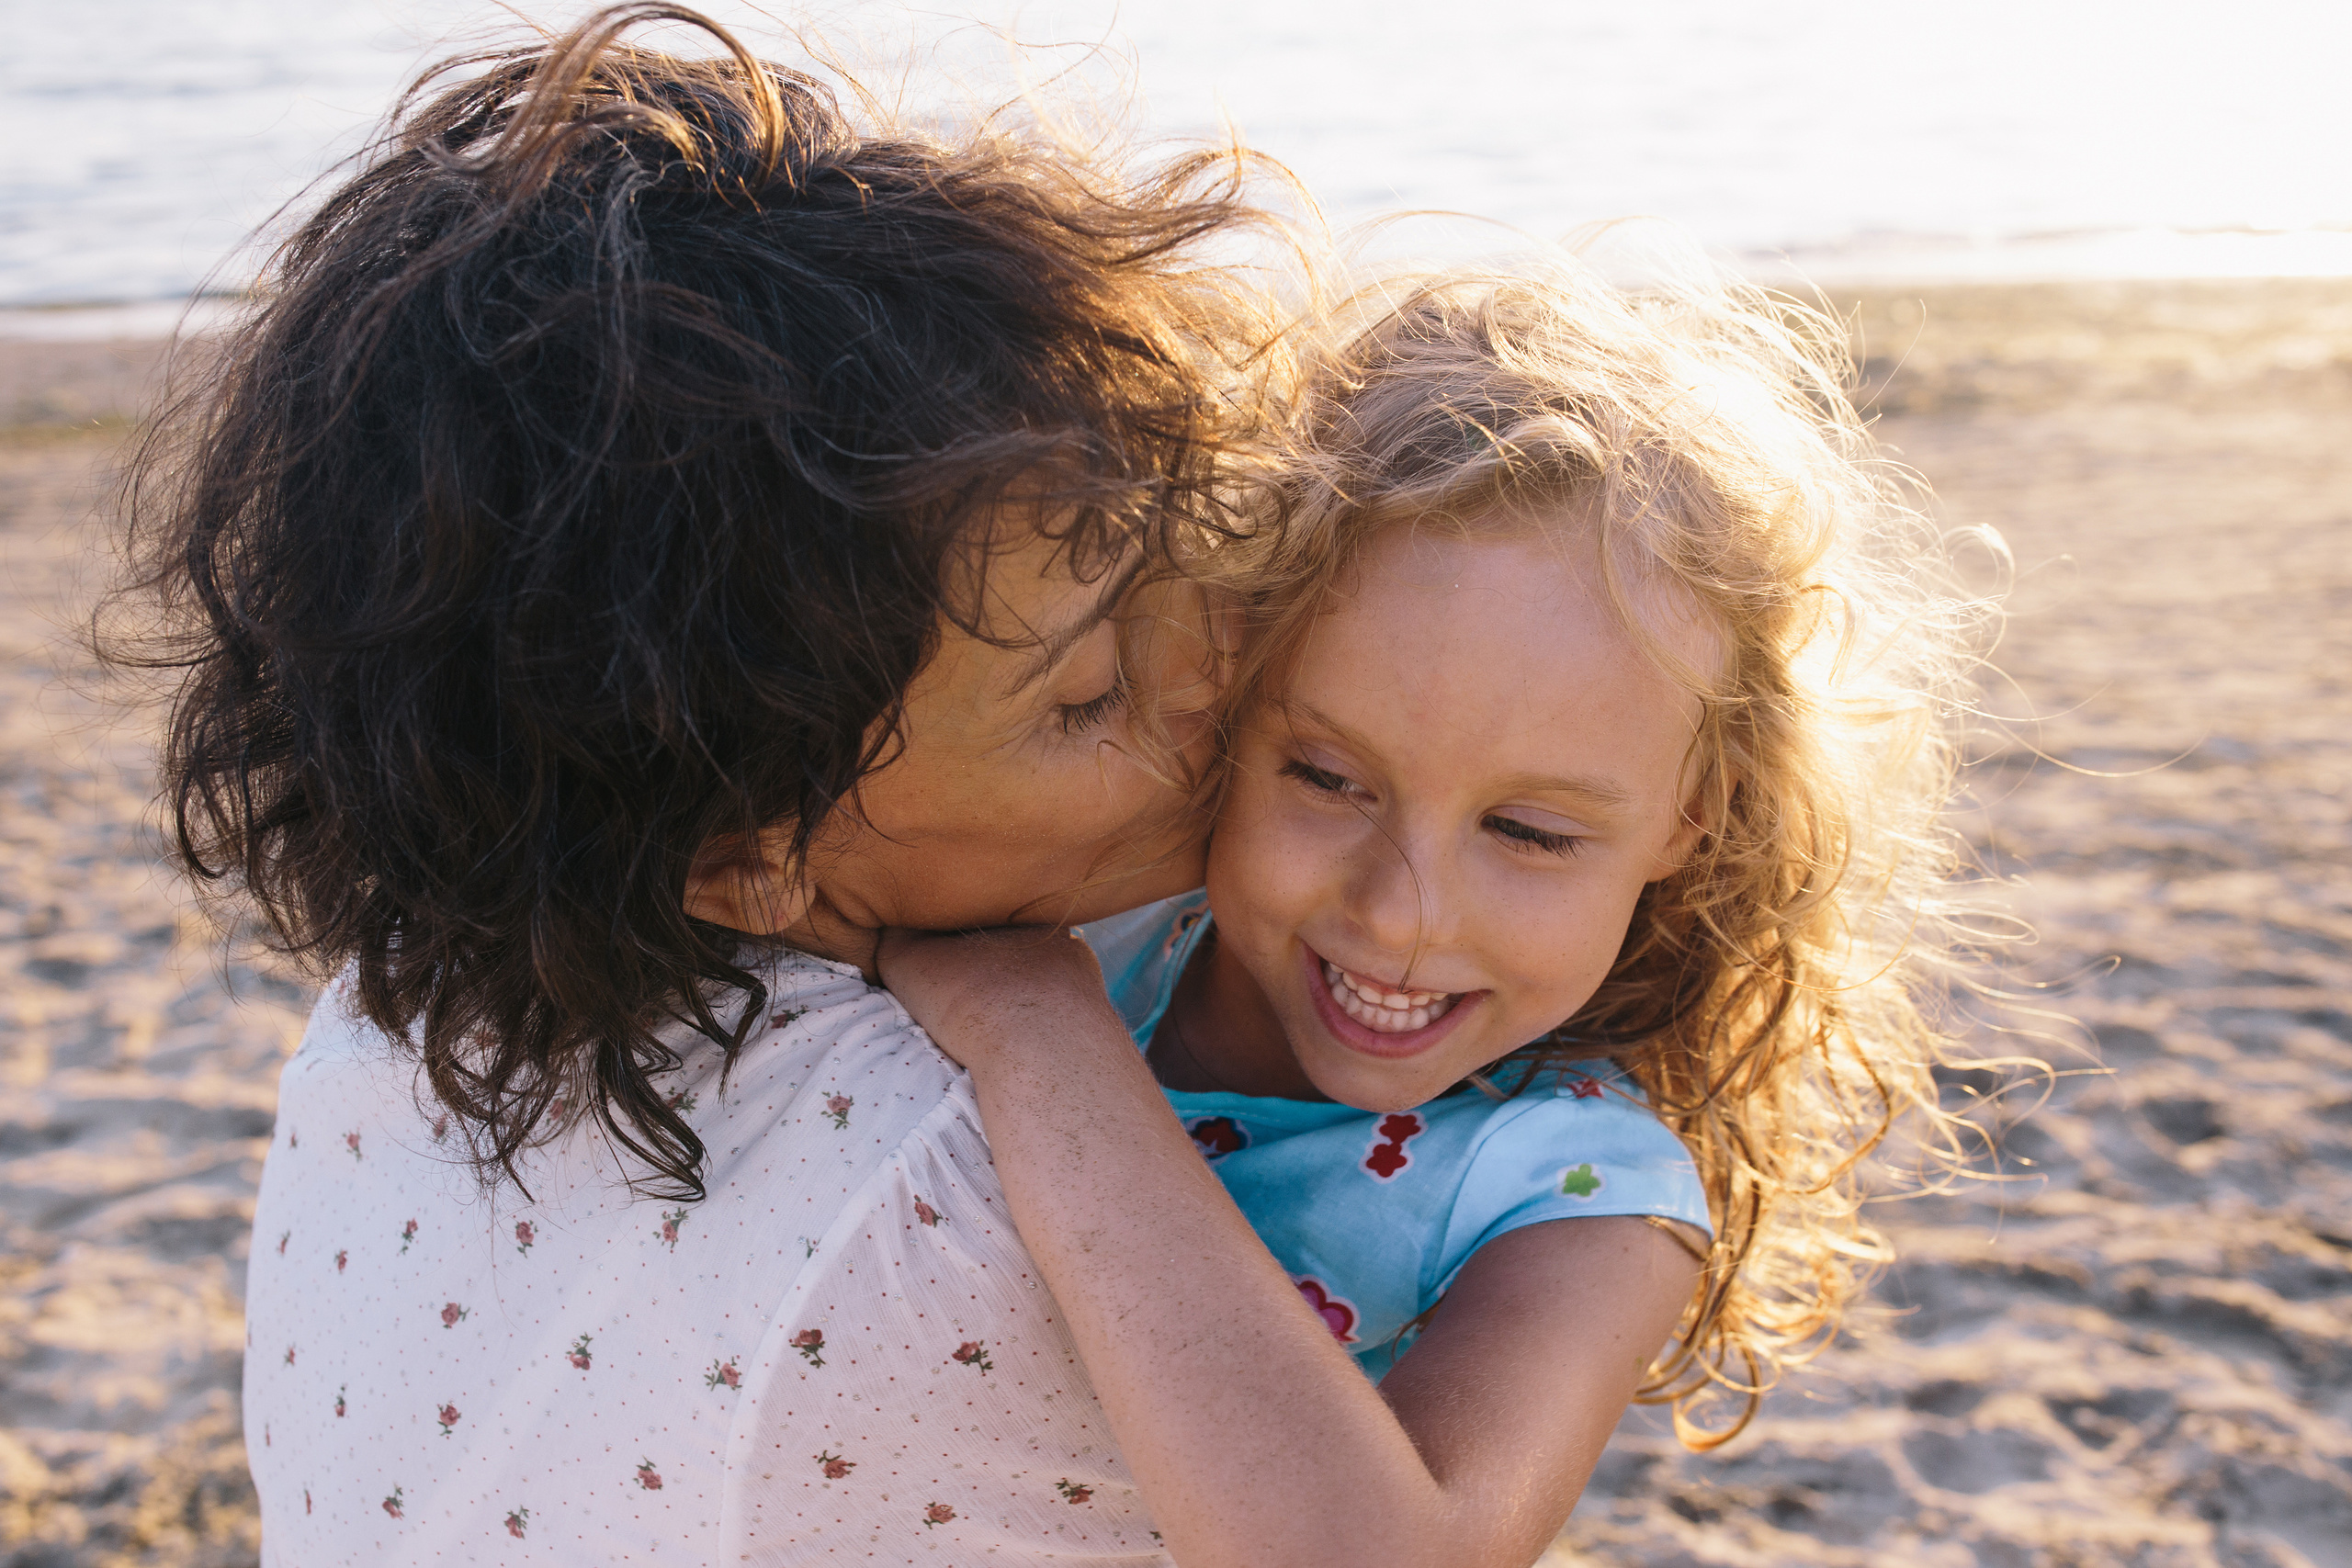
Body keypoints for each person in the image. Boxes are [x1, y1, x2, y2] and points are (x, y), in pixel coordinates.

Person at [119, 5, 1291, 1561]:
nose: (1221, 682)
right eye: (1088, 695)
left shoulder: (395, 1016)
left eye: (1165, 570)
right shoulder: (985, 1200)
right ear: (746, 861)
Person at [881, 258, 1989, 1568]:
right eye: (1327, 778)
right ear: (1224, 701)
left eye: (1529, 832)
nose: (1404, 915)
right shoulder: (1085, 921)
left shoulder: (1574, 1202)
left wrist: (1039, 1039)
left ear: (1693, 817)